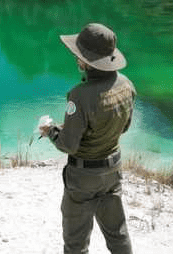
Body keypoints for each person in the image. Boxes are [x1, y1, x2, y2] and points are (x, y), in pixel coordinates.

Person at [40, 22, 135, 254]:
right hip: (112, 172)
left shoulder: (79, 96)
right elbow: (123, 128)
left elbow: (68, 145)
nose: (75, 59)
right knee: (117, 234)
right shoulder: (126, 85)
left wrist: (51, 131)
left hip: (83, 178)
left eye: (78, 55)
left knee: (76, 242)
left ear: (86, 61)